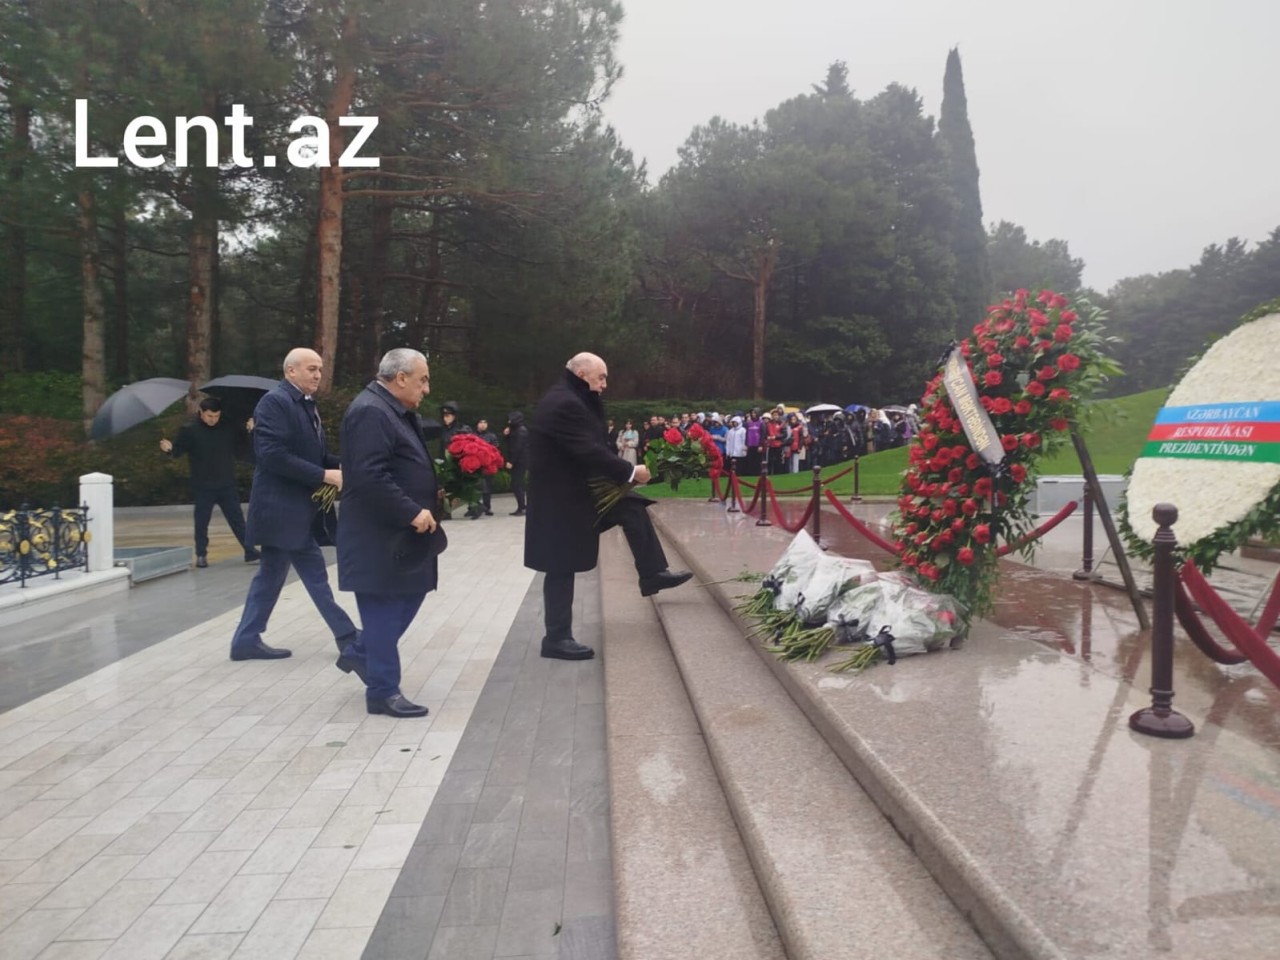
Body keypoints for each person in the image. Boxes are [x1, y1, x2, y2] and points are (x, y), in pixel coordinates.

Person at [525, 353, 692, 660]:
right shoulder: (565, 402)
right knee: (560, 565)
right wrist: (629, 472)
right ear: (582, 373)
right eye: (600, 378)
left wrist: (621, 481)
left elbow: (592, 444)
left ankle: (653, 572)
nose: (604, 385)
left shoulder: (572, 397)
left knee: (630, 506)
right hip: (560, 500)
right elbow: (586, 449)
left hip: (576, 493)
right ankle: (556, 639)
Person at [228, 347, 359, 661]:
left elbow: (314, 453)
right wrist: (323, 475)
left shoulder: (304, 404)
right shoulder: (276, 402)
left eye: (319, 369)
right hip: (282, 509)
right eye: (311, 369)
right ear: (290, 371)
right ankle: (347, 636)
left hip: (292, 510)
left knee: (270, 577)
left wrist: (350, 466)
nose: (317, 374)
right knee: (314, 572)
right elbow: (271, 455)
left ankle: (245, 640)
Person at [335, 348, 440, 718]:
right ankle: (382, 691)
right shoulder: (370, 412)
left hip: (397, 535)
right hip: (377, 536)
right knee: (382, 609)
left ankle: (362, 653)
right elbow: (369, 476)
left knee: (412, 593)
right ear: (400, 378)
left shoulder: (393, 410)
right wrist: (411, 510)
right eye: (422, 379)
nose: (426, 388)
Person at [159, 396, 260, 568]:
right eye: (209, 416)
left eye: (216, 416)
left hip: (226, 483)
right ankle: (201, 555)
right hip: (203, 485)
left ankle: (250, 551)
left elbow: (243, 445)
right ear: (201, 413)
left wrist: (251, 430)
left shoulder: (227, 428)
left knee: (237, 520)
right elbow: (177, 451)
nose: (213, 420)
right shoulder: (189, 430)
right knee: (201, 521)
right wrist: (169, 450)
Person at [504, 410, 529, 515]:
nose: (509, 421)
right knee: (516, 484)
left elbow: (517, 448)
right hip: (518, 461)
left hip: (520, 461)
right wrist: (506, 435)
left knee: (517, 484)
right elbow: (510, 445)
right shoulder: (515, 430)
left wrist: (511, 461)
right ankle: (522, 506)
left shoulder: (521, 431)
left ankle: (522, 507)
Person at [472, 417, 499, 517]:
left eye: (485, 422)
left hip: (487, 465)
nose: (483, 424)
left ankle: (487, 507)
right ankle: (474, 508)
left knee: (487, 488)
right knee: (475, 487)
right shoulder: (473, 436)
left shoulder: (491, 436)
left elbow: (496, 448)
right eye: (480, 422)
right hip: (475, 465)